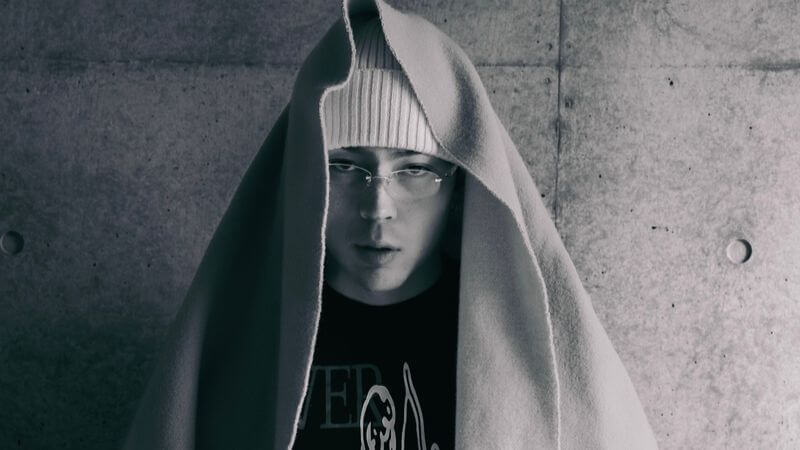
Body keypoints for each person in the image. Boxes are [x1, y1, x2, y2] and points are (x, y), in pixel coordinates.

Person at [123, 0, 658, 449]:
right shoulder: (241, 342)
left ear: (457, 185)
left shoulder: (527, 347)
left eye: (414, 171)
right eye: (344, 167)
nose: (377, 205)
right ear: (306, 177)